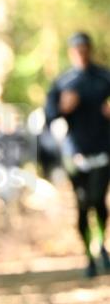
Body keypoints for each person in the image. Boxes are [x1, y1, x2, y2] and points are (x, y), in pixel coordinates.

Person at [44, 32, 110, 277]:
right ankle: (89, 257)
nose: (81, 53)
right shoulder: (63, 81)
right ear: (71, 52)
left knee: (97, 200)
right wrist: (62, 108)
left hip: (103, 150)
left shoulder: (104, 77)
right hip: (75, 153)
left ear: (90, 49)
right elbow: (48, 116)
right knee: (82, 204)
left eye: (84, 48)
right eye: (76, 49)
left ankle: (101, 246)